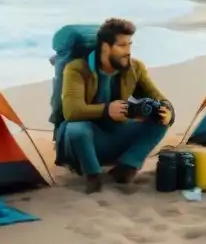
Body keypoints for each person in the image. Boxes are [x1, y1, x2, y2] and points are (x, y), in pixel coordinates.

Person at [57, 18, 174, 193]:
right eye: (122, 45)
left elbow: (159, 98)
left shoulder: (135, 67)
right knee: (77, 129)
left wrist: (167, 111)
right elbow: (71, 111)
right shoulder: (76, 69)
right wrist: (106, 110)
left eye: (129, 45)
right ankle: (92, 176)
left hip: (116, 135)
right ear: (105, 47)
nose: (128, 51)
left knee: (160, 119)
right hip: (84, 144)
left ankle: (127, 167)